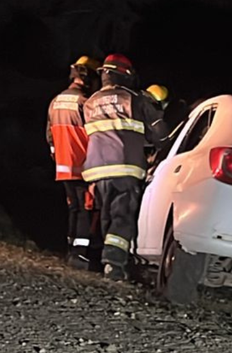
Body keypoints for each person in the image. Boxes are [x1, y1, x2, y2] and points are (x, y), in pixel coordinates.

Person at [82, 54, 169, 281]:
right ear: (126, 76)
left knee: (107, 216)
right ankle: (114, 264)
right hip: (125, 166)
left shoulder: (90, 102)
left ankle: (106, 259)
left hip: (97, 169)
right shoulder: (135, 99)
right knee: (122, 216)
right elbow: (160, 135)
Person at [46, 55, 101, 270]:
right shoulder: (85, 103)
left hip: (63, 165)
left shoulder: (55, 101)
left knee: (74, 208)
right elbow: (95, 135)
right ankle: (79, 254)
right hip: (83, 164)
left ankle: (71, 250)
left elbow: (50, 136)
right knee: (85, 209)